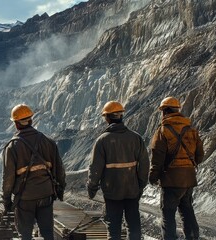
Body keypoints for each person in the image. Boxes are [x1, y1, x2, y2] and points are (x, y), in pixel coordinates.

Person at [2, 103, 66, 240]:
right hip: (45, 194)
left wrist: (7, 200)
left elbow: (8, 178)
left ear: (16, 124)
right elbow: (59, 170)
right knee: (47, 233)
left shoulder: (12, 147)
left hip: (25, 197)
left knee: (25, 235)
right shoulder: (48, 142)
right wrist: (60, 189)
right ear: (31, 120)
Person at [87, 101, 149, 240]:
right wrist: (140, 185)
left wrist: (92, 188)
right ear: (121, 116)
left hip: (112, 192)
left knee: (114, 229)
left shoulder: (102, 141)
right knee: (133, 227)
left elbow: (95, 169)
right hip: (132, 191)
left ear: (107, 118)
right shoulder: (136, 138)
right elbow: (145, 164)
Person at [149, 97, 204, 240]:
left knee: (168, 213)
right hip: (189, 179)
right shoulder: (191, 130)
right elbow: (200, 156)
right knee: (187, 210)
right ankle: (193, 237)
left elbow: (157, 158)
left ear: (165, 112)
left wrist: (153, 177)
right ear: (177, 110)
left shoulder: (163, 131)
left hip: (171, 179)